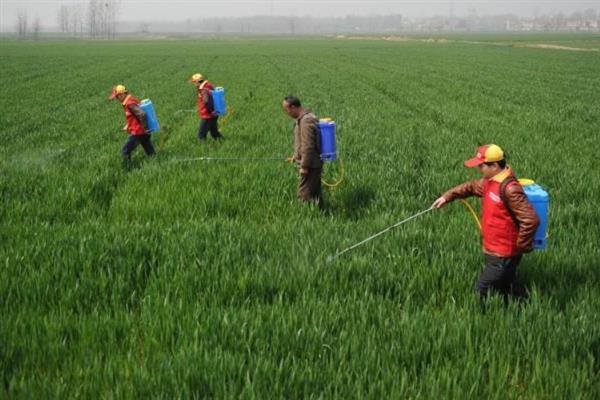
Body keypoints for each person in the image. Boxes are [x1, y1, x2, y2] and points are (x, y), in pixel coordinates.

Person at [432, 144, 540, 300]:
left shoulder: (509, 189)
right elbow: (470, 187)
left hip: (503, 253)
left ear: (495, 165)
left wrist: (521, 246)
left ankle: (479, 315)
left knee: (481, 290)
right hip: (494, 249)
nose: (479, 170)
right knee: (507, 287)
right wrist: (447, 197)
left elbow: (530, 219)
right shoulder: (490, 181)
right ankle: (525, 309)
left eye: (481, 166)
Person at [282, 96, 323, 204]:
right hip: (312, 163)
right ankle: (321, 215)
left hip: (311, 164)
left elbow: (308, 146)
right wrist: (296, 156)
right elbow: (301, 144)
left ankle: (307, 217)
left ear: (293, 107)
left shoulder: (306, 121)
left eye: (286, 109)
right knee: (315, 194)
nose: (287, 113)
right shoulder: (302, 120)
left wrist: (304, 166)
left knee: (303, 196)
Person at [108, 85, 155, 164]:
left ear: (122, 94)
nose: (117, 99)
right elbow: (134, 116)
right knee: (150, 152)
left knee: (125, 151)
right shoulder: (130, 100)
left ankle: (128, 168)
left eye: (117, 97)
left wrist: (145, 129)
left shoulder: (129, 104)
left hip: (139, 133)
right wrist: (128, 125)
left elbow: (142, 114)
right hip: (143, 132)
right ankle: (156, 162)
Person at [189, 73, 223, 141]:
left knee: (201, 136)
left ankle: (203, 149)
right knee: (214, 133)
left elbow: (206, 101)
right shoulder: (208, 85)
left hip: (208, 116)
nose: (194, 84)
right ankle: (223, 142)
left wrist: (211, 111)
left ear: (197, 82)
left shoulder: (204, 90)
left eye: (194, 82)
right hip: (213, 114)